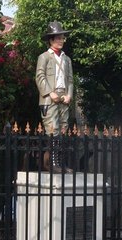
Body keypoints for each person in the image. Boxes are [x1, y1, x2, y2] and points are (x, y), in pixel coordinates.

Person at [35, 20, 73, 173]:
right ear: (51, 40)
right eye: (58, 38)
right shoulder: (44, 57)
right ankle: (51, 164)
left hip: (64, 98)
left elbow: (70, 79)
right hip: (49, 99)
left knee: (63, 130)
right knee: (53, 131)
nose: (61, 40)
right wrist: (50, 93)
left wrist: (69, 95)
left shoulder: (67, 59)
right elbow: (39, 76)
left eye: (62, 37)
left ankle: (57, 163)